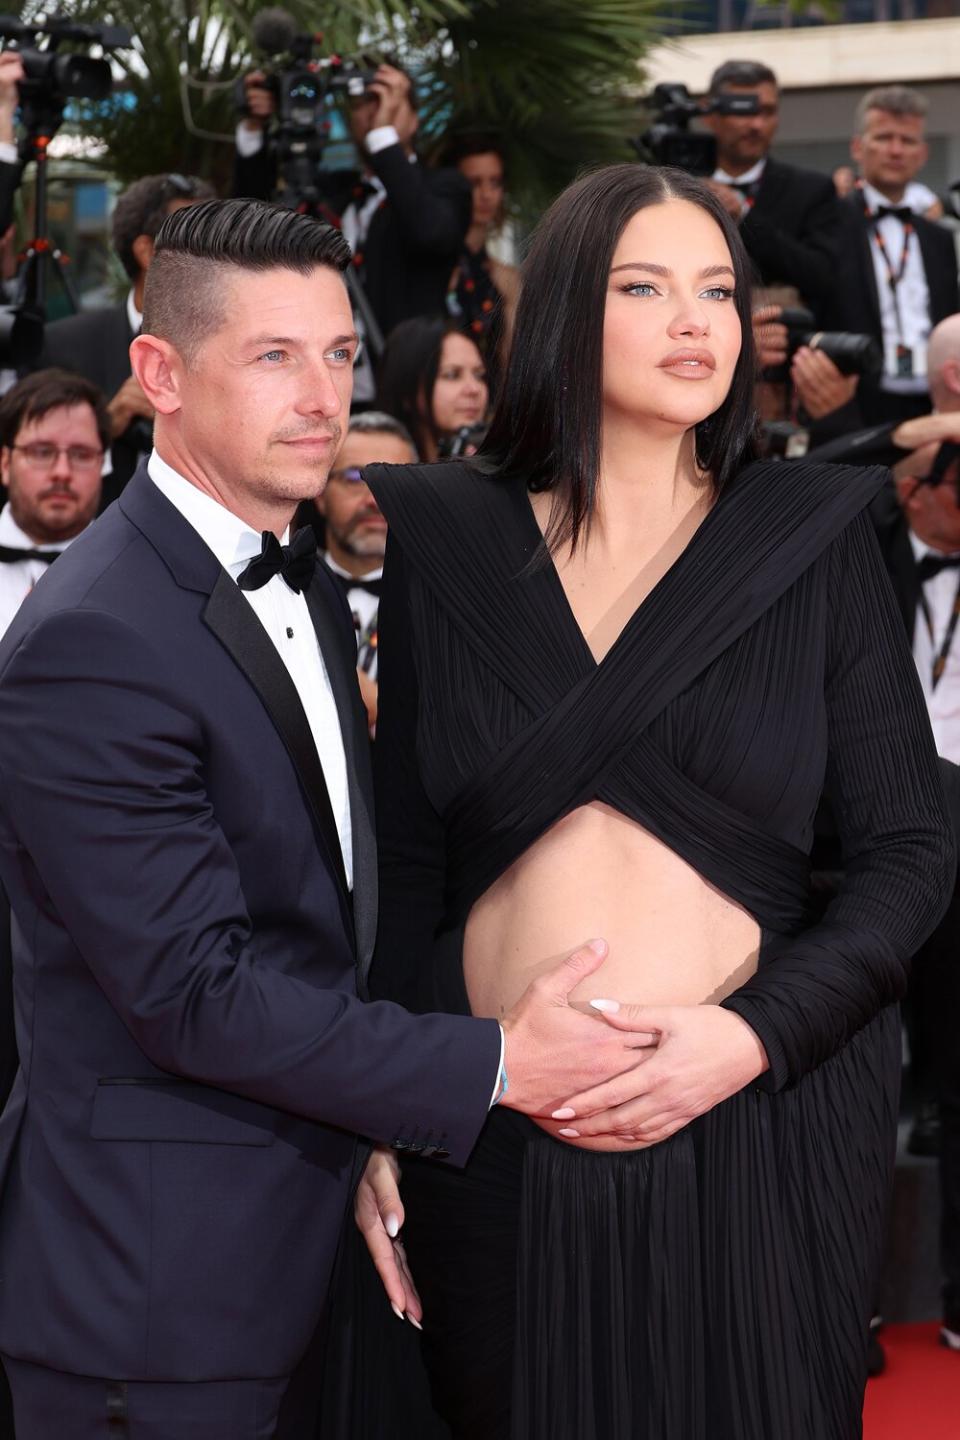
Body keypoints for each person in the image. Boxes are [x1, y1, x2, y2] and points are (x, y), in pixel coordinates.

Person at [0, 196, 665, 1437]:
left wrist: (367, 1129)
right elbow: (193, 990)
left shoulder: (294, 570)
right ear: (161, 374)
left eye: (340, 354)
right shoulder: (94, 637)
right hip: (157, 1301)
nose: (322, 395)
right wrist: (502, 1061)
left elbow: (323, 919)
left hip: (316, 1246)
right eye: (272, 356)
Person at [363, 163, 955, 1439]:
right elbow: (403, 867)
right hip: (494, 1141)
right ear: (572, 311)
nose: (699, 323)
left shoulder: (815, 532)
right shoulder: (446, 539)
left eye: (719, 291)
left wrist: (750, 1038)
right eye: (648, 287)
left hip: (760, 1123)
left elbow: (910, 849)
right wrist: (398, 1096)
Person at [235, 60, 472, 405]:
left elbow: (430, 234)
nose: (373, 113)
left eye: (385, 100)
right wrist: (255, 127)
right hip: (333, 392)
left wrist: (382, 136)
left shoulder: (446, 187)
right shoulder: (334, 192)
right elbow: (252, 216)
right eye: (363, 104)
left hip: (407, 391)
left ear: (415, 119)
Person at [40, 172, 215, 504]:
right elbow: (29, 465)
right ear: (146, 252)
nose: (218, 258)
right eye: (199, 243)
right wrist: (107, 422)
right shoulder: (65, 346)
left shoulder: (236, 349)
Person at [830, 85, 959, 427]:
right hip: (854, 397)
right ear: (858, 147)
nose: (896, 150)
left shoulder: (939, 237)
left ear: (924, 153)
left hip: (931, 396)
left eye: (908, 140)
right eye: (884, 137)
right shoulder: (831, 220)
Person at [701, 59, 841, 320]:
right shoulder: (677, 184)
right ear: (710, 114)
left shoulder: (811, 190)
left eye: (767, 111)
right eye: (743, 111)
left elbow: (823, 279)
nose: (756, 124)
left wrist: (742, 215)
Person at [314, 409, 417, 732]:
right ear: (319, 493)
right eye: (355, 478)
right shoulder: (279, 585)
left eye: (394, 478)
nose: (374, 499)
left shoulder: (448, 604)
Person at [0, 368, 108, 638]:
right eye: (42, 452)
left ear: (102, 463)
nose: (62, 471)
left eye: (81, 454)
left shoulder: (143, 576)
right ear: (5, 463)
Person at [443, 134, 520, 368]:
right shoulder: (438, 267)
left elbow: (513, 361)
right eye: (474, 183)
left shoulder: (507, 278)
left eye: (495, 182)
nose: (486, 194)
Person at [377, 317, 488, 461]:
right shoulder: (378, 468)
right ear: (407, 386)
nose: (474, 389)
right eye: (452, 375)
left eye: (479, 375)